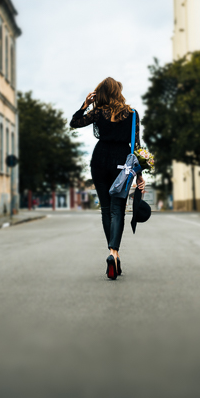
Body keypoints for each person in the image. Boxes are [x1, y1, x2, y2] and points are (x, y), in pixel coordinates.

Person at [70, 77, 145, 280]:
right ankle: (114, 253)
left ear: (102, 93)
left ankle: (113, 255)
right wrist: (139, 175)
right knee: (117, 209)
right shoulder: (132, 114)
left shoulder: (97, 112)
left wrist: (84, 105)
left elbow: (75, 123)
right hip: (122, 164)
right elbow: (135, 146)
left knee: (105, 209)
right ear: (118, 92)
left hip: (100, 161)